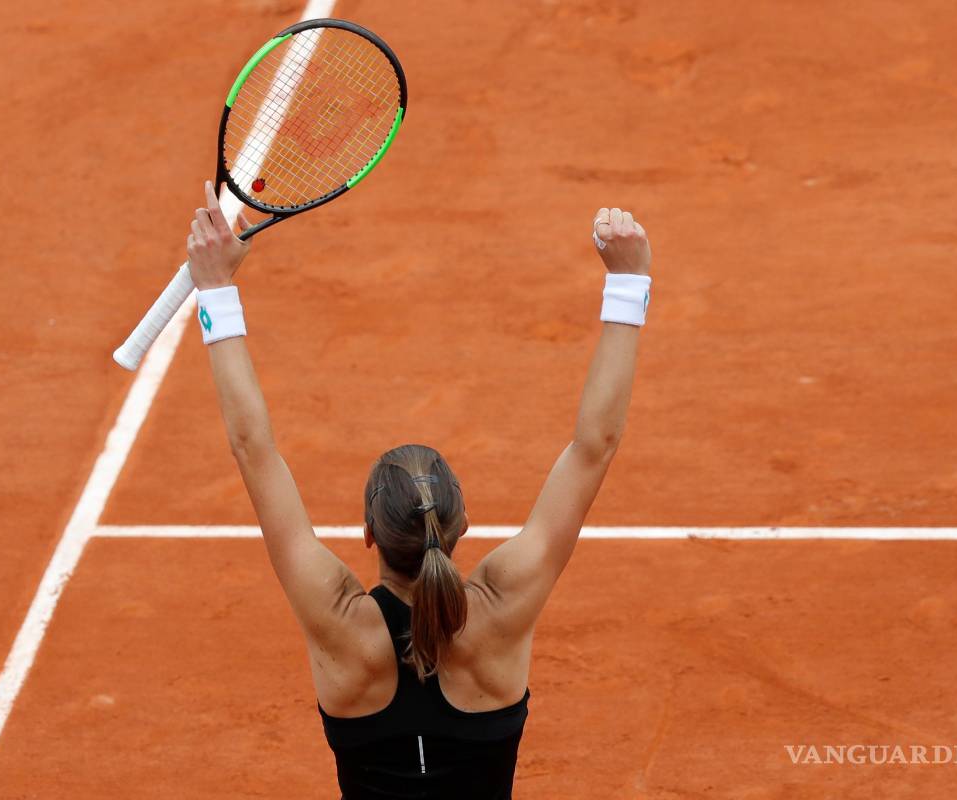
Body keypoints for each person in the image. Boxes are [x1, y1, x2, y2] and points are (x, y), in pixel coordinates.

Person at [184, 181, 652, 799]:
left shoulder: (341, 626)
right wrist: (628, 282)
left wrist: (216, 288)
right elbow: (596, 445)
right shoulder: (501, 611)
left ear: (370, 533)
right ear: (461, 525)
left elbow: (254, 449)